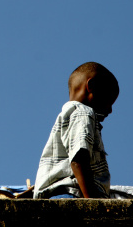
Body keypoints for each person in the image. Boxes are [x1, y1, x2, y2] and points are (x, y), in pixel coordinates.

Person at [33, 62, 119, 199]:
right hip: (71, 194)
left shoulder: (69, 114)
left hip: (56, 195)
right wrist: (91, 200)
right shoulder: (83, 113)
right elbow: (79, 158)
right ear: (92, 86)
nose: (110, 110)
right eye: (108, 100)